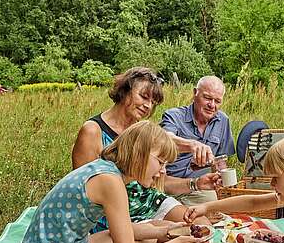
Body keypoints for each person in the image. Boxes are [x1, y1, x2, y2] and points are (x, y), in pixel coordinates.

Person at [16, 121, 204, 243]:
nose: (163, 171)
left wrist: (166, 232)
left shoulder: (108, 171)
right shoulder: (110, 182)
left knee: (153, 228)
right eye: (161, 162)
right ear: (140, 153)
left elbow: (125, 231)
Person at [71, 67, 219, 230]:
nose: (148, 106)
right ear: (125, 90)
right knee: (171, 232)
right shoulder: (93, 131)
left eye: (153, 102)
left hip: (148, 201)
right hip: (113, 214)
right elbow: (82, 193)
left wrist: (196, 183)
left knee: (201, 226)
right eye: (143, 97)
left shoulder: (141, 131)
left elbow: (157, 181)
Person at [160, 75, 235, 205]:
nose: (212, 105)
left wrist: (223, 182)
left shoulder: (223, 121)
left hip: (200, 187)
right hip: (168, 186)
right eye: (207, 98)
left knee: (219, 216)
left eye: (217, 101)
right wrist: (192, 145)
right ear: (195, 93)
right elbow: (164, 139)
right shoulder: (174, 116)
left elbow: (221, 160)